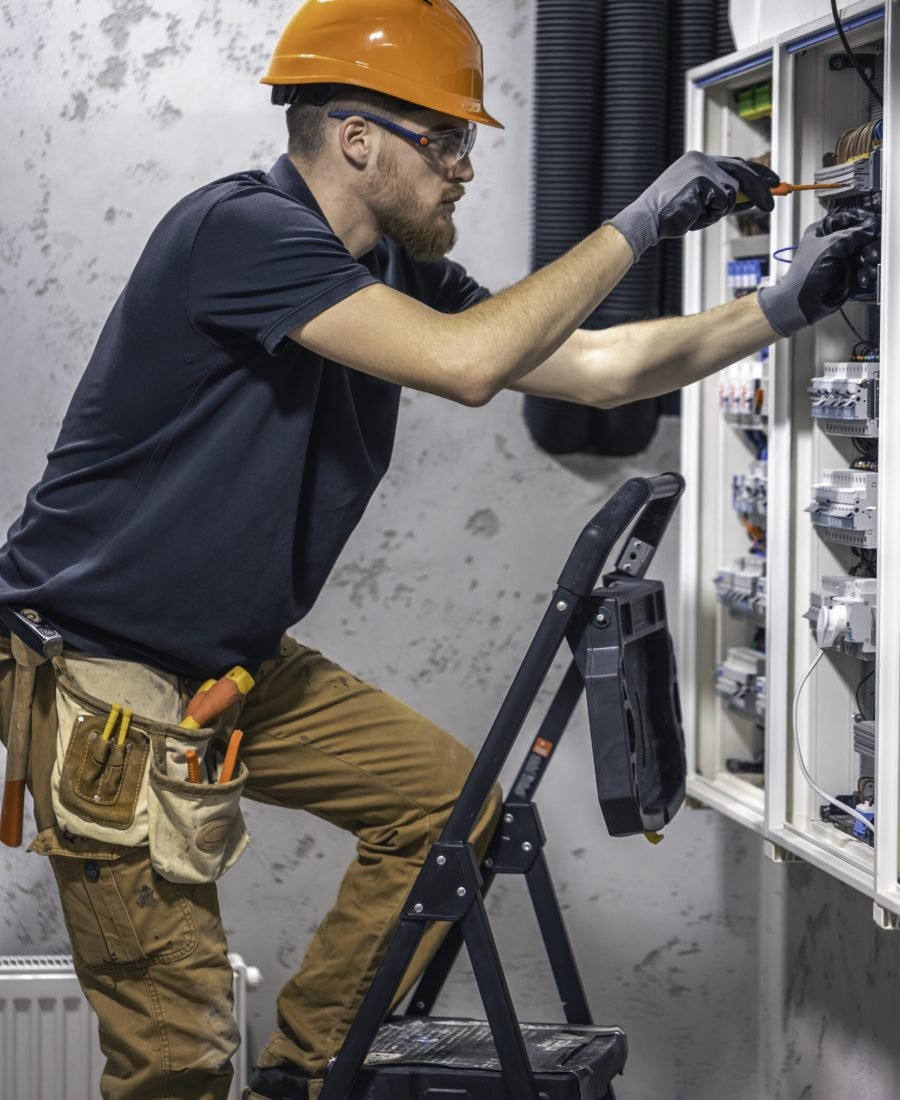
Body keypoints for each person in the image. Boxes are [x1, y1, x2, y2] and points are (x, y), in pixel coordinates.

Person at [0, 1, 878, 1098]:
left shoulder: (393, 272)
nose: (465, 167)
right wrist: (640, 222)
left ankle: (307, 1071)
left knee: (448, 809)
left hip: (231, 659)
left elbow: (597, 369)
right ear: (357, 139)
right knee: (175, 1049)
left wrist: (788, 306)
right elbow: (468, 367)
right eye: (448, 141)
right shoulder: (241, 230)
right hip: (104, 671)